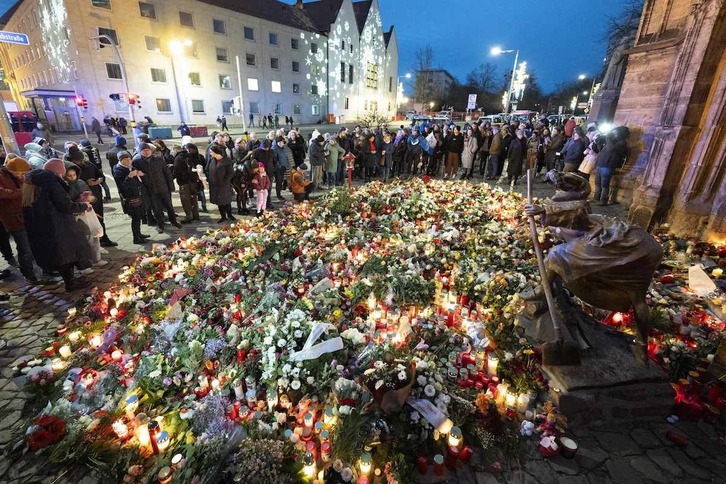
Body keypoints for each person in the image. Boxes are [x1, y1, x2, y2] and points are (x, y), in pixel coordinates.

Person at [24, 159, 93, 291]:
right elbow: (65, 205)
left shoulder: (33, 181)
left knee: (62, 254)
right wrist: (83, 205)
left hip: (44, 224)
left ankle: (70, 280)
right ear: (57, 172)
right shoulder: (51, 183)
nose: (63, 176)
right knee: (66, 253)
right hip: (57, 224)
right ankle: (70, 282)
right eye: (62, 174)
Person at [0, 157, 37, 282]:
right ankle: (28, 274)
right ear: (11, 170)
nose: (21, 175)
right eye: (19, 173)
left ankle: (40, 270)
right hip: (13, 218)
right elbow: (3, 193)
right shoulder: (1, 176)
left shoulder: (18, 176)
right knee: (24, 247)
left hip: (27, 213)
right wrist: (21, 192)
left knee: (33, 244)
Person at [133, 143, 181, 233]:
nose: (146, 152)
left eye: (148, 150)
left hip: (163, 187)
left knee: (169, 206)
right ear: (140, 152)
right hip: (150, 190)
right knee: (156, 208)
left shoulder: (158, 160)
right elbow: (137, 178)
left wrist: (171, 186)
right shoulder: (137, 162)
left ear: (151, 151)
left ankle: (173, 221)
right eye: (144, 151)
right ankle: (160, 225)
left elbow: (167, 173)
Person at [113, 151, 149, 244]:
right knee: (135, 218)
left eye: (129, 158)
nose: (129, 161)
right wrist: (129, 177)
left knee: (139, 216)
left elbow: (138, 179)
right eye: (126, 159)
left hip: (137, 195)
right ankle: (136, 238)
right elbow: (122, 187)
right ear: (121, 160)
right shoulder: (118, 171)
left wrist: (142, 175)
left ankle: (139, 234)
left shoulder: (130, 167)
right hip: (129, 198)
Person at [207, 144, 235, 223]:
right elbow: (207, 170)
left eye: (211, 152)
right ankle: (223, 217)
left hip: (224, 185)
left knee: (226, 202)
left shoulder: (226, 161)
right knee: (219, 202)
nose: (210, 153)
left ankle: (229, 215)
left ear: (216, 152)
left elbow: (231, 173)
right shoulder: (212, 160)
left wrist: (225, 181)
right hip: (215, 186)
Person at [174, 143, 201, 223]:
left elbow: (176, 171)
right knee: (193, 198)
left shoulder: (178, 158)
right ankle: (196, 215)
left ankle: (189, 216)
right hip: (193, 181)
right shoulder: (193, 157)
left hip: (184, 182)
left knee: (185, 199)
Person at [271, 136, 290, 200]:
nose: (283, 143)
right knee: (279, 182)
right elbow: (275, 160)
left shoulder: (282, 148)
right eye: (281, 142)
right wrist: (280, 166)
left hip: (283, 167)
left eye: (283, 142)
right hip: (278, 169)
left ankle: (279, 194)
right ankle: (278, 195)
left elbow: (285, 157)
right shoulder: (275, 149)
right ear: (277, 142)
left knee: (281, 181)